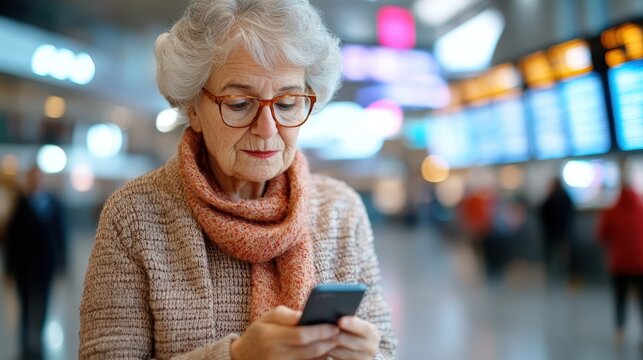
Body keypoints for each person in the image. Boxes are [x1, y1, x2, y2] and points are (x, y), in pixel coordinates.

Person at [79, 0, 397, 359]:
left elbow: (384, 346)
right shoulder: (135, 217)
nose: (267, 129)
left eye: (287, 102)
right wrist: (238, 356)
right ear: (193, 109)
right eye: (239, 103)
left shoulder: (340, 210)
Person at [4, 167, 67, 360]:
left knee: (42, 307)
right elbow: (11, 239)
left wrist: (63, 261)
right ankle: (25, 348)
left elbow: (61, 235)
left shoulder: (54, 205)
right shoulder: (21, 204)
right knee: (25, 307)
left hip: (45, 266)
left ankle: (38, 347)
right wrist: (9, 268)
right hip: (24, 267)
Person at [597, 184, 643, 348]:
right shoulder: (641, 209)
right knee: (641, 301)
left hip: (619, 264)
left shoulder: (611, 211)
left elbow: (601, 235)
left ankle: (619, 334)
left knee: (620, 300)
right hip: (640, 263)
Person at [538, 177, 574, 279]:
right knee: (555, 254)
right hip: (556, 232)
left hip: (558, 231)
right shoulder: (560, 198)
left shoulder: (557, 198)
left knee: (559, 254)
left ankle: (560, 274)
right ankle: (558, 274)